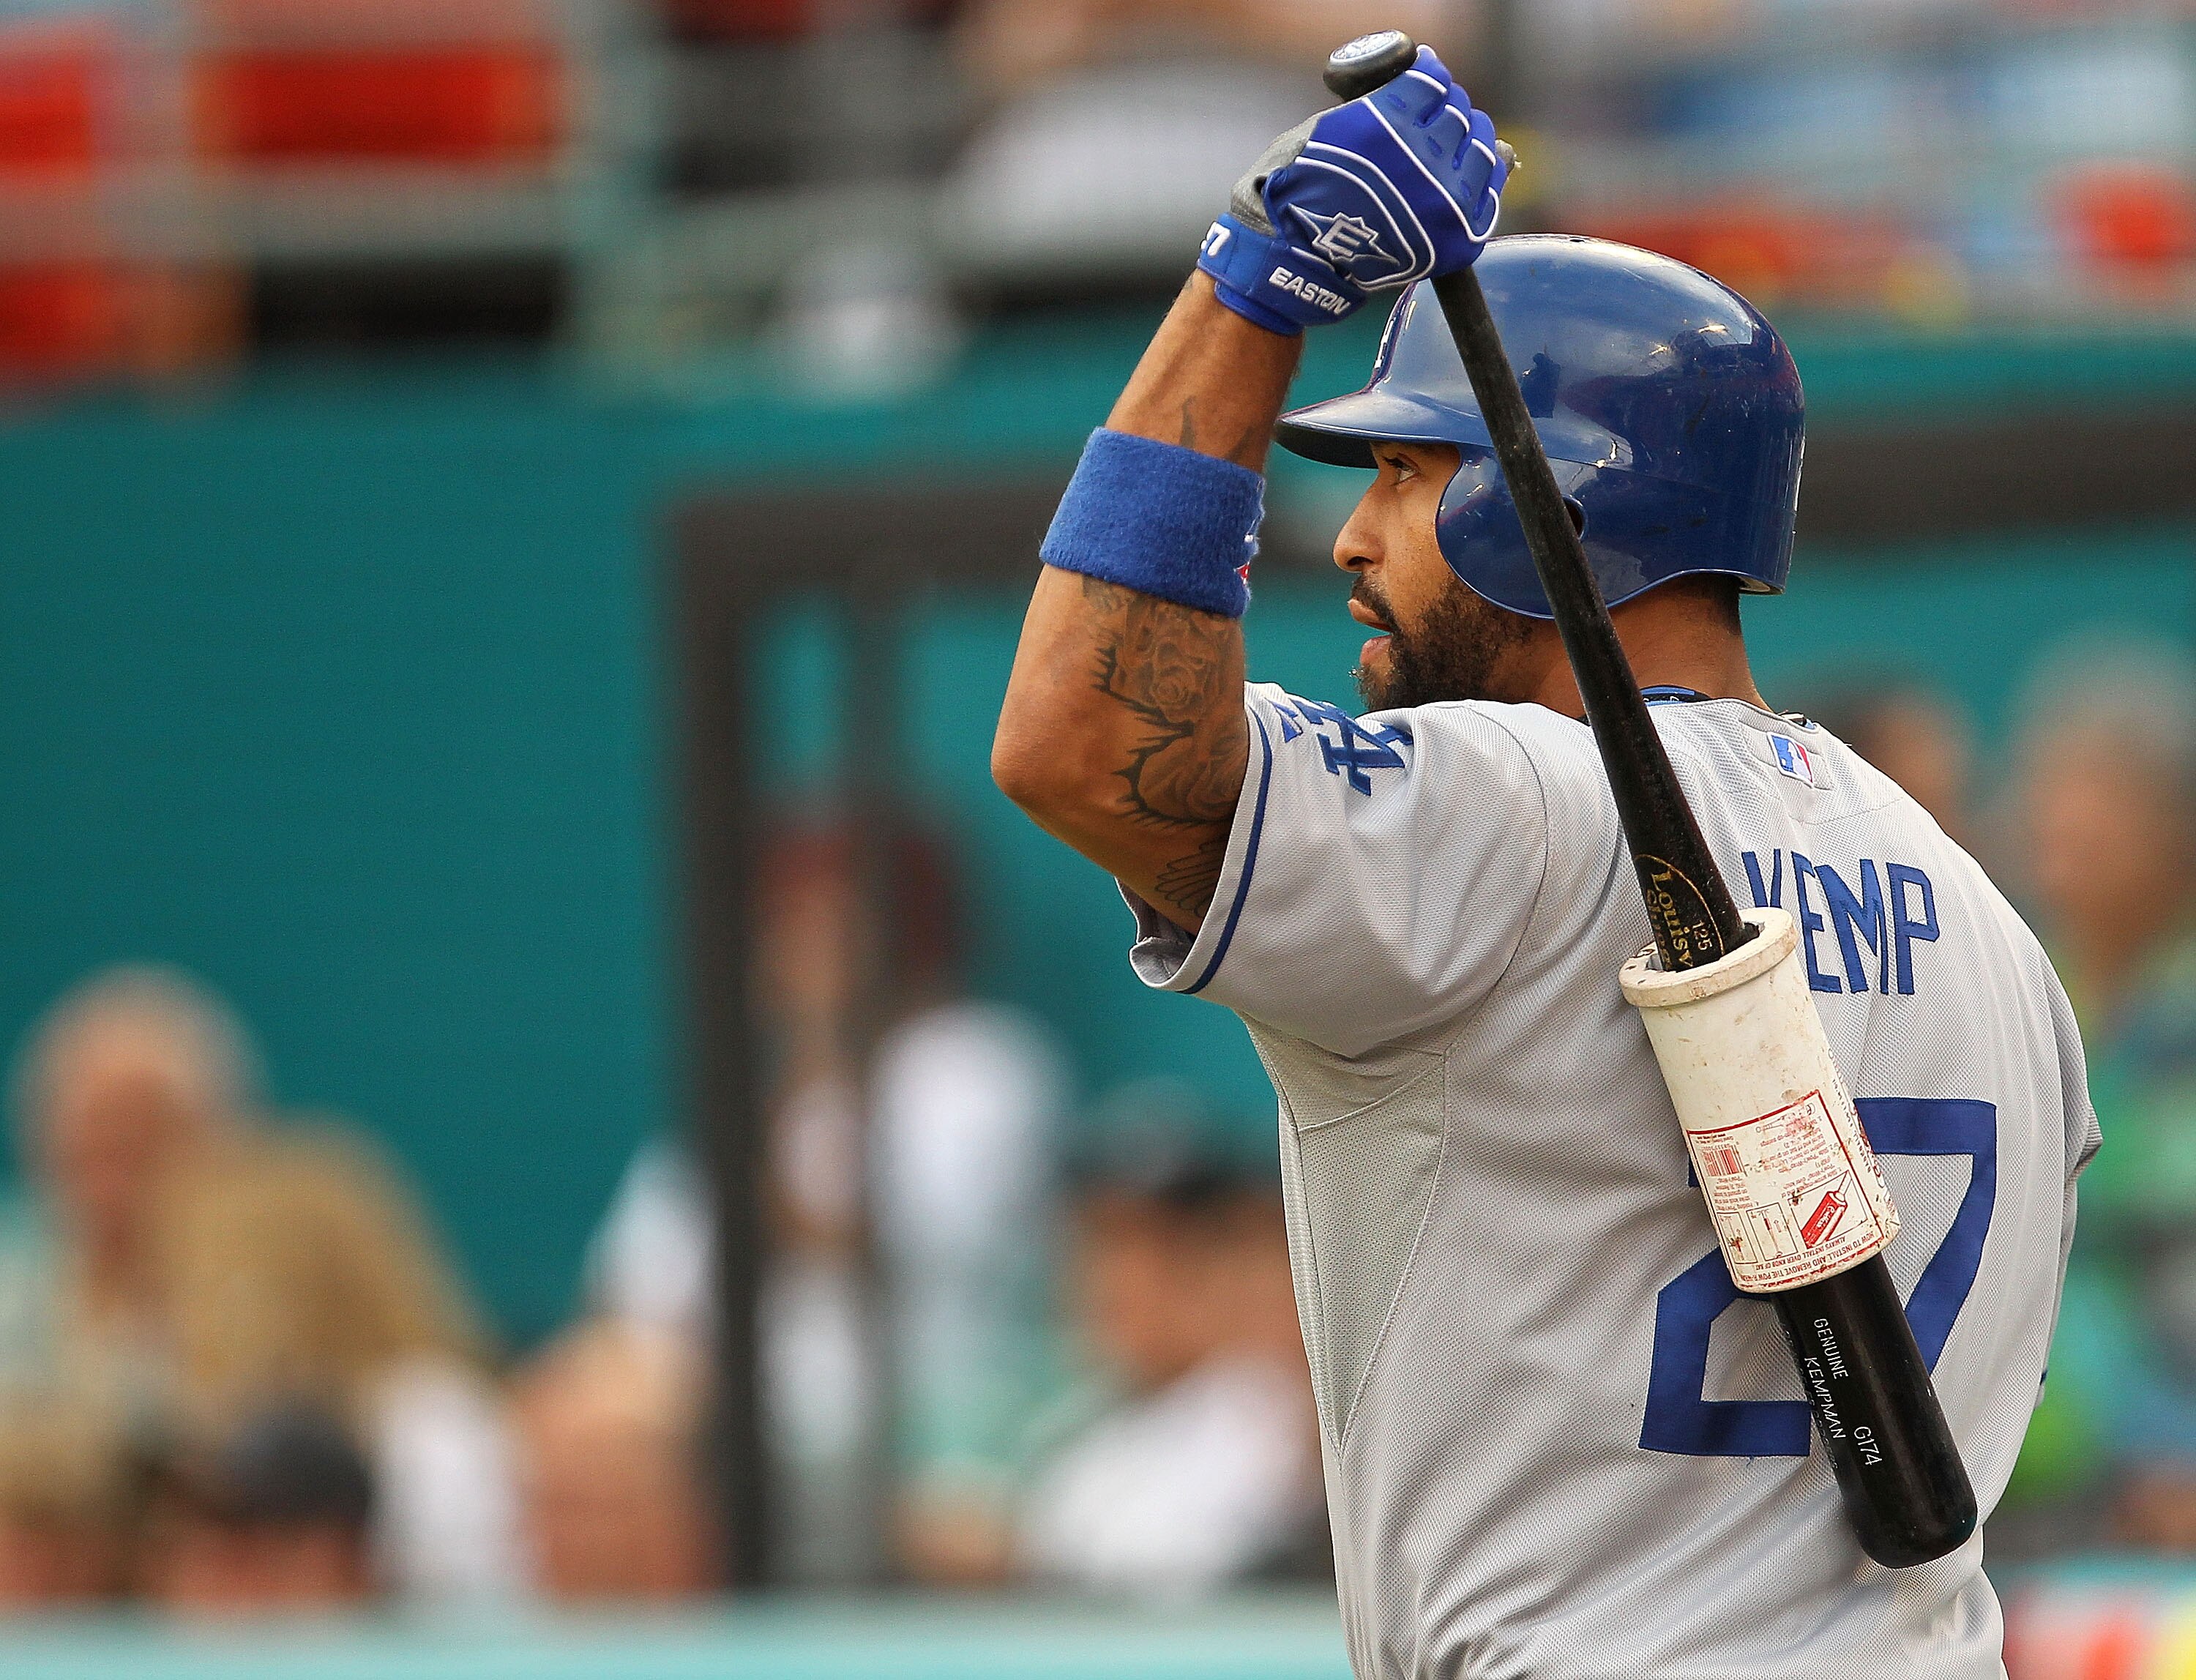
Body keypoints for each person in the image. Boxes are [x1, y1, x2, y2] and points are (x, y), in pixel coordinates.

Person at [991, 46, 2093, 1678]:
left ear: (1557, 506)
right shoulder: (1997, 935)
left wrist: (1253, 286)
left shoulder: (1511, 809)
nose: (1355, 538)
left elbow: (1082, 745)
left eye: (1409, 474)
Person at [0, 965, 503, 1607]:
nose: (119, 1176)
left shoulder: (318, 1208)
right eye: (90, 1145)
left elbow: (446, 1380)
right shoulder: (23, 1276)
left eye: (146, 1136)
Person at [1015, 1100, 1323, 1596]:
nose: (1113, 1278)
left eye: (1150, 1244)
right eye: (1100, 1242)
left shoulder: (1271, 1414)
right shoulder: (1084, 1430)